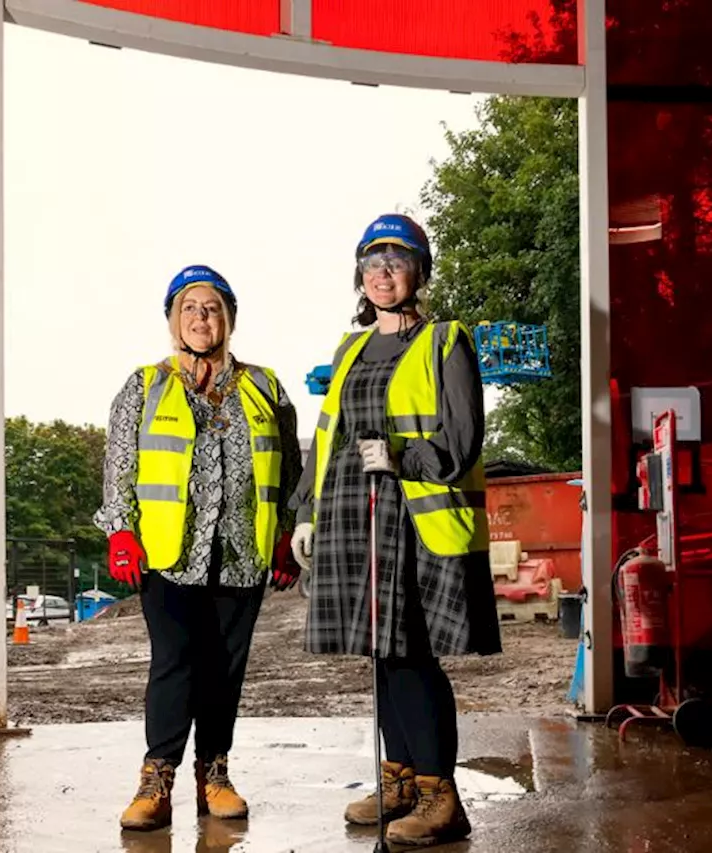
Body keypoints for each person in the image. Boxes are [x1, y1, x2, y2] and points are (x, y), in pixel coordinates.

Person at [290, 214, 500, 847]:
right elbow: (328, 438)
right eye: (372, 262)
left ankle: (442, 796)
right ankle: (400, 781)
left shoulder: (444, 341)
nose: (383, 273)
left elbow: (462, 440)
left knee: (411, 655)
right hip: (356, 514)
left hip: (417, 520)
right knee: (381, 656)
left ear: (419, 272)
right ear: (360, 275)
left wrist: (405, 459)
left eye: (397, 260)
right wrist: (306, 511)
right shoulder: (350, 349)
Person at [95, 265, 303, 832]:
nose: (200, 318)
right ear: (172, 320)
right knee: (174, 663)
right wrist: (120, 531)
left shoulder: (265, 386)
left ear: (228, 318)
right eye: (189, 308)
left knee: (225, 669)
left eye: (211, 307)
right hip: (169, 553)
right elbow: (120, 465)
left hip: (241, 550)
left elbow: (290, 467)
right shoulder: (144, 385)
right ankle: (156, 777)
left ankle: (215, 774)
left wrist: (285, 533)